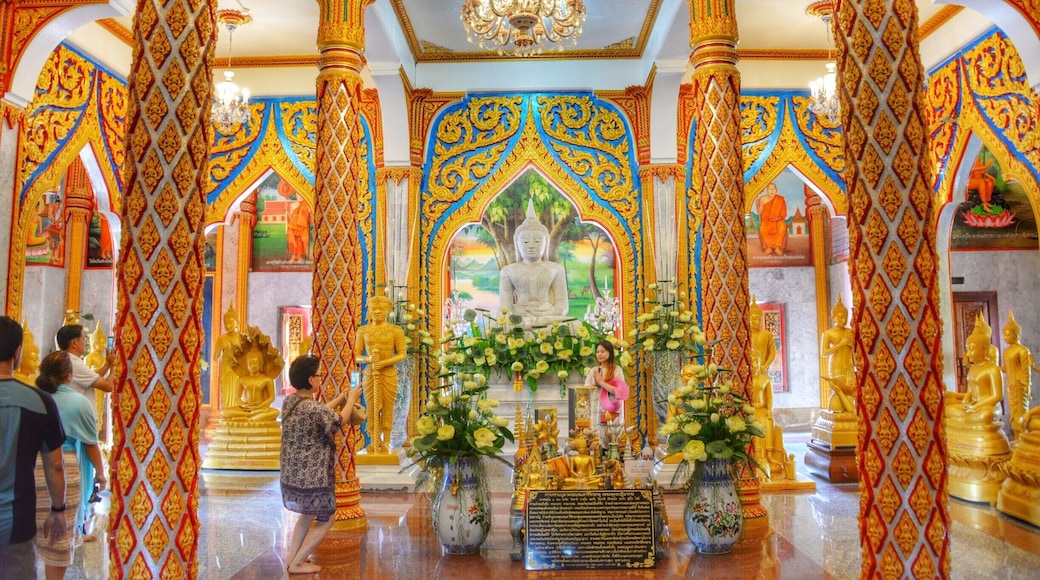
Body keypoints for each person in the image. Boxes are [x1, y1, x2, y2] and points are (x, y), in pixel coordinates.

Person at [280, 354, 361, 575]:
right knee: (327, 518)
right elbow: (337, 422)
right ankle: (298, 561)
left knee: (306, 515)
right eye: (318, 376)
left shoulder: (290, 401)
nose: (321, 379)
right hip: (312, 474)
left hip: (292, 474)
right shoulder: (313, 409)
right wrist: (352, 399)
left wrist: (340, 399)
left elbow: (320, 412)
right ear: (310, 380)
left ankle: (292, 559)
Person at [0, 316, 67, 578]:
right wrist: (58, 510)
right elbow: (55, 465)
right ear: (18, 352)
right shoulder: (40, 402)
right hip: (16, 524)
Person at [33, 352, 107, 574]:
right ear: (69, 374)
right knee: (58, 536)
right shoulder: (78, 402)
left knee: (32, 529)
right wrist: (101, 474)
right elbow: (90, 443)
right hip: (65, 468)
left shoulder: (34, 398)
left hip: (32, 466)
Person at [55, 324, 113, 536]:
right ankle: (78, 527)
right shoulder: (73, 363)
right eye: (83, 339)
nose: (87, 343)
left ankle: (78, 526)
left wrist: (107, 363)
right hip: (76, 427)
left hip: (66, 427)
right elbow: (107, 386)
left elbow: (91, 378)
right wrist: (114, 368)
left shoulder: (69, 362)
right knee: (81, 481)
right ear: (74, 343)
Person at [498, 199, 570, 326]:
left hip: (547, 316)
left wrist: (550, 311)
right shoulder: (508, 271)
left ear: (545, 243)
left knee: (573, 326)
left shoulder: (556, 269)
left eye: (537, 241)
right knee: (494, 327)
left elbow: (562, 305)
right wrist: (512, 317)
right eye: (525, 242)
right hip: (519, 317)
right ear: (517, 244)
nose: (531, 246)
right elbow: (504, 309)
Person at [354, 295, 407, 453]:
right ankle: (374, 440)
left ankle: (387, 441)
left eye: (381, 309)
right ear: (368, 310)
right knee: (372, 406)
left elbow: (402, 354)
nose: (377, 312)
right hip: (370, 373)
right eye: (373, 309)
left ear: (388, 310)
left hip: (389, 373)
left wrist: (384, 362)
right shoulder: (363, 330)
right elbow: (355, 355)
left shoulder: (396, 330)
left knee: (388, 407)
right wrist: (368, 359)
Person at [946, 314, 1004, 425]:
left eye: (971, 349)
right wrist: (965, 402)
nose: (968, 354)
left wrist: (976, 406)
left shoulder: (993, 370)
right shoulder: (973, 369)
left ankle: (964, 421)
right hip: (973, 405)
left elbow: (997, 396)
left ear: (984, 349)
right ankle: (965, 420)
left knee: (985, 416)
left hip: (988, 407)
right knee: (947, 410)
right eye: (967, 350)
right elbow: (970, 392)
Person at [1002, 311, 1040, 439]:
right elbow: (1006, 369)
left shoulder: (1022, 350)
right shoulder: (1006, 351)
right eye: (1004, 335)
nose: (1005, 337)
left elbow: (1025, 370)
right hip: (1010, 384)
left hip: (1020, 384)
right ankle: (1017, 437)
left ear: (1016, 335)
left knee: (1021, 412)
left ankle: (1022, 438)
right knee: (1013, 413)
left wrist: (1027, 385)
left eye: (1008, 335)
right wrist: (993, 366)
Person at [223, 348, 281, 422]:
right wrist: (243, 405)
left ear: (261, 364)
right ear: (246, 364)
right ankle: (252, 417)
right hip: (246, 408)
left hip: (261, 408)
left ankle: (247, 417)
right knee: (224, 412)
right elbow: (237, 397)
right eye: (249, 363)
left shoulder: (267, 379)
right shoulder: (242, 379)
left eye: (254, 363)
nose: (252, 366)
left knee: (276, 412)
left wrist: (258, 407)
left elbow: (272, 397)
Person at [820, 297, 855, 413]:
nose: (843, 320)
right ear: (833, 317)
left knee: (850, 387)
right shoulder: (828, 333)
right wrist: (841, 344)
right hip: (836, 363)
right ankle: (837, 408)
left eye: (845, 317)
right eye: (840, 317)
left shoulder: (850, 331)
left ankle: (849, 409)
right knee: (838, 387)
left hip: (848, 363)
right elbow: (824, 352)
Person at [584, 340, 629, 423]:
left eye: (602, 351)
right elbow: (585, 390)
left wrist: (602, 383)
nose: (599, 354)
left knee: (610, 434)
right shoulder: (593, 370)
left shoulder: (617, 370)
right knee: (594, 434)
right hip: (595, 410)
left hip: (610, 411)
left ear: (610, 353)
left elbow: (620, 392)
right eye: (597, 352)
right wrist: (594, 384)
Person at [214, 307, 242, 417]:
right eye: (226, 323)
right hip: (226, 370)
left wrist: (234, 354)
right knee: (226, 396)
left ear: (237, 322)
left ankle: (236, 417)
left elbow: (245, 358)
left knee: (236, 394)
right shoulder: (221, 338)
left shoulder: (241, 338)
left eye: (230, 323)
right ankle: (226, 417)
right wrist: (221, 348)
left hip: (237, 371)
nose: (228, 325)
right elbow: (215, 357)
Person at [755, 182, 788, 256]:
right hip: (766, 220)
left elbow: (784, 213)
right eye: (770, 189)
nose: (772, 191)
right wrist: (757, 205)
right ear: (767, 190)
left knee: (782, 227)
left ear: (776, 190)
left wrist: (777, 218)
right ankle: (769, 247)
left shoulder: (780, 199)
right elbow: (760, 212)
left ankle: (777, 247)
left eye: (774, 189)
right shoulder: (762, 199)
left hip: (778, 220)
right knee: (762, 229)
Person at [12, 321, 40, 385]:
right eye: (34, 360)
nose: (38, 364)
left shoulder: (35, 379)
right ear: (22, 358)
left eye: (37, 359)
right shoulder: (16, 380)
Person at [286, 199, 311, 263]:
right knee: (293, 240)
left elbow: (309, 219)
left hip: (302, 225)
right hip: (293, 224)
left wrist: (309, 211)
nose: (299, 196)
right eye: (297, 194)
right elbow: (290, 217)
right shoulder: (292, 205)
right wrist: (286, 212)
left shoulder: (306, 204)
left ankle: (298, 256)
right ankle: (295, 256)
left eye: (300, 195)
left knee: (302, 240)